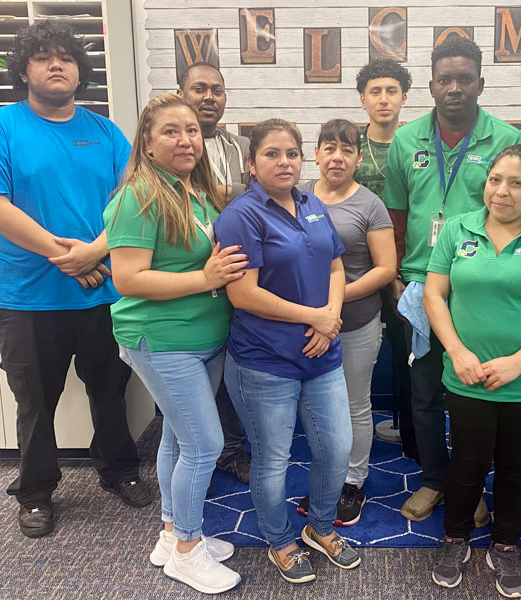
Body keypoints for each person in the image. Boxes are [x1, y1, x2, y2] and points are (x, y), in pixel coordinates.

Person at [0, 22, 148, 539]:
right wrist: (66, 257)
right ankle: (37, 492)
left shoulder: (106, 131)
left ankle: (119, 470)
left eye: (66, 57)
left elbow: (131, 203)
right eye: (44, 57)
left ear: (80, 71)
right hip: (27, 296)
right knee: (35, 400)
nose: (56, 65)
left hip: (103, 292)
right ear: (24, 68)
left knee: (111, 390)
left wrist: (94, 253)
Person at [424, 146, 521, 596]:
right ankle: (456, 538)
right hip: (467, 376)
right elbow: (435, 296)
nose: (502, 191)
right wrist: (456, 351)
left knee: (516, 465)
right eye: (496, 180)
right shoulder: (458, 229)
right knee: (467, 464)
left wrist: (519, 362)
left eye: (516, 183)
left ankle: (506, 543)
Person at [103, 93, 244, 594]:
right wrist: (206, 278)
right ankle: (187, 549)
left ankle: (170, 534)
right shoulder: (138, 197)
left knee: (177, 439)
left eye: (192, 131)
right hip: (162, 341)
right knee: (205, 444)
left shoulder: (196, 192)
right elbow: (128, 278)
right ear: (147, 141)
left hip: (203, 337)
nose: (186, 140)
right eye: (171, 131)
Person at [382, 37, 521, 522]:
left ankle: (470, 485)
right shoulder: (405, 141)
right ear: (430, 86)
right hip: (422, 285)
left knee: (473, 394)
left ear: (480, 83)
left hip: (479, 287)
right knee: (423, 391)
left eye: (465, 79)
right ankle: (433, 479)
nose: (455, 88)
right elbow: (396, 217)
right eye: (445, 79)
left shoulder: (508, 140)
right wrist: (398, 277)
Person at [214, 119, 361, 584]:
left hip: (322, 354)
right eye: (272, 154)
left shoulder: (311, 203)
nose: (284, 162)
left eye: (292, 153)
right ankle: (279, 540)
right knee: (273, 459)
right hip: (264, 362)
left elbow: (337, 268)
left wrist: (331, 317)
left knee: (337, 449)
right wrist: (312, 317)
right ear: (252, 162)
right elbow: (244, 295)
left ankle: (320, 528)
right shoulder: (242, 214)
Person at [295, 119, 397, 526]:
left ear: (358, 157)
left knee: (355, 405)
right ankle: (328, 477)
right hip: (303, 325)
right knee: (319, 407)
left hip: (355, 323)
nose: (337, 156)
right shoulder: (296, 196)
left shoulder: (370, 204)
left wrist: (333, 304)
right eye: (329, 147)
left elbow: (386, 268)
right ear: (316, 153)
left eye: (347, 149)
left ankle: (353, 482)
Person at [179, 62, 252, 485]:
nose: (209, 97)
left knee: (233, 370)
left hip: (238, 269)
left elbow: (257, 196)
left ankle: (232, 448)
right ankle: (202, 455)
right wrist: (232, 193)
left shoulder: (242, 145)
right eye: (200, 88)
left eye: (217, 90)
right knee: (198, 379)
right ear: (181, 93)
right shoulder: (171, 146)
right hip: (189, 274)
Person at [354, 59, 418, 460]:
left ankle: (413, 439)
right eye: (375, 91)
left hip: (402, 265)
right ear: (363, 100)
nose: (383, 99)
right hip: (356, 266)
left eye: (391, 91)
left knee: (407, 349)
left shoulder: (417, 146)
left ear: (404, 98)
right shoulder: (349, 145)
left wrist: (399, 268)